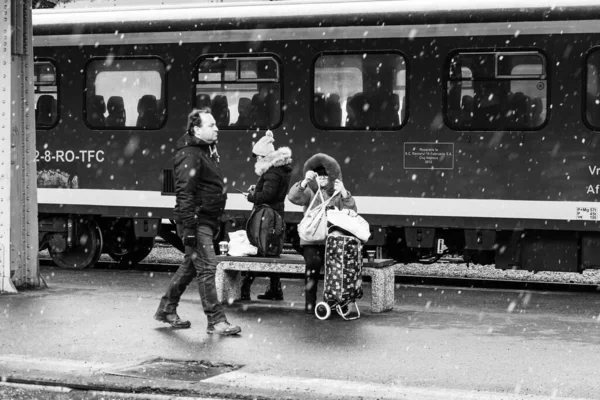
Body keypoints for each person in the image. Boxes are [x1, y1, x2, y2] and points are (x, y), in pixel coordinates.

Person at [154, 108, 241, 336]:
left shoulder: (205, 151)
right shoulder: (190, 154)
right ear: (197, 129)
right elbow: (185, 193)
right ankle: (216, 320)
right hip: (197, 220)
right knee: (208, 268)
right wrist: (190, 227)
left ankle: (166, 309)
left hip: (206, 219)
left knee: (191, 267)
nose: (217, 128)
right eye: (211, 125)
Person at [287, 153, 356, 314]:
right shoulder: (310, 192)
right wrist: (304, 182)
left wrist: (344, 192)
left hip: (332, 242)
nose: (323, 179)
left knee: (334, 268)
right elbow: (293, 197)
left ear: (332, 177)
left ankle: (330, 302)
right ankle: (310, 304)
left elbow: (352, 211)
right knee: (312, 265)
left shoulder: (338, 193)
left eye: (326, 176)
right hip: (311, 241)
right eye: (320, 176)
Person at [240, 130, 293, 301]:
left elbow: (268, 197)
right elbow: (273, 193)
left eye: (258, 157)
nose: (256, 160)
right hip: (275, 215)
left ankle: (245, 288)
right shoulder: (279, 170)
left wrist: (251, 197)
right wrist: (257, 190)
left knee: (260, 249)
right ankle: (275, 289)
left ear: (264, 156)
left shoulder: (271, 172)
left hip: (267, 217)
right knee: (271, 251)